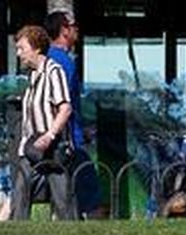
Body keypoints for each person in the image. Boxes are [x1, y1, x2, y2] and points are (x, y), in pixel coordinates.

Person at [8, 24, 78, 221]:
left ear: (37, 48)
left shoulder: (53, 72)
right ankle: (18, 233)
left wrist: (50, 135)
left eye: (22, 48)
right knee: (21, 190)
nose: (19, 54)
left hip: (52, 147)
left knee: (62, 200)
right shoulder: (33, 76)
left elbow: (65, 108)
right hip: (32, 147)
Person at [45, 10, 103, 218]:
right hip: (70, 142)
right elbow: (63, 103)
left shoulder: (47, 60)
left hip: (56, 139)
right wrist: (71, 131)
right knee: (92, 196)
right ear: (63, 30)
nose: (77, 29)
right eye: (74, 25)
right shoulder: (64, 62)